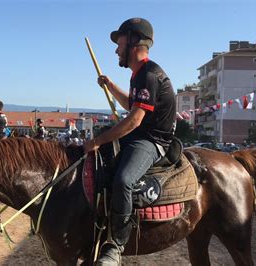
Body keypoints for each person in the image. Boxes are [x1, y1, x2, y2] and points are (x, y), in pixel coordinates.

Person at [83, 17, 176, 265]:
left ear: (134, 41)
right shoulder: (138, 75)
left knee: (124, 180)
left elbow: (134, 120)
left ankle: (116, 246)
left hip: (151, 141)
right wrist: (111, 85)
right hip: (138, 136)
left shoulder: (149, 75)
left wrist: (98, 140)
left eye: (120, 42)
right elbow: (131, 105)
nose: (116, 49)